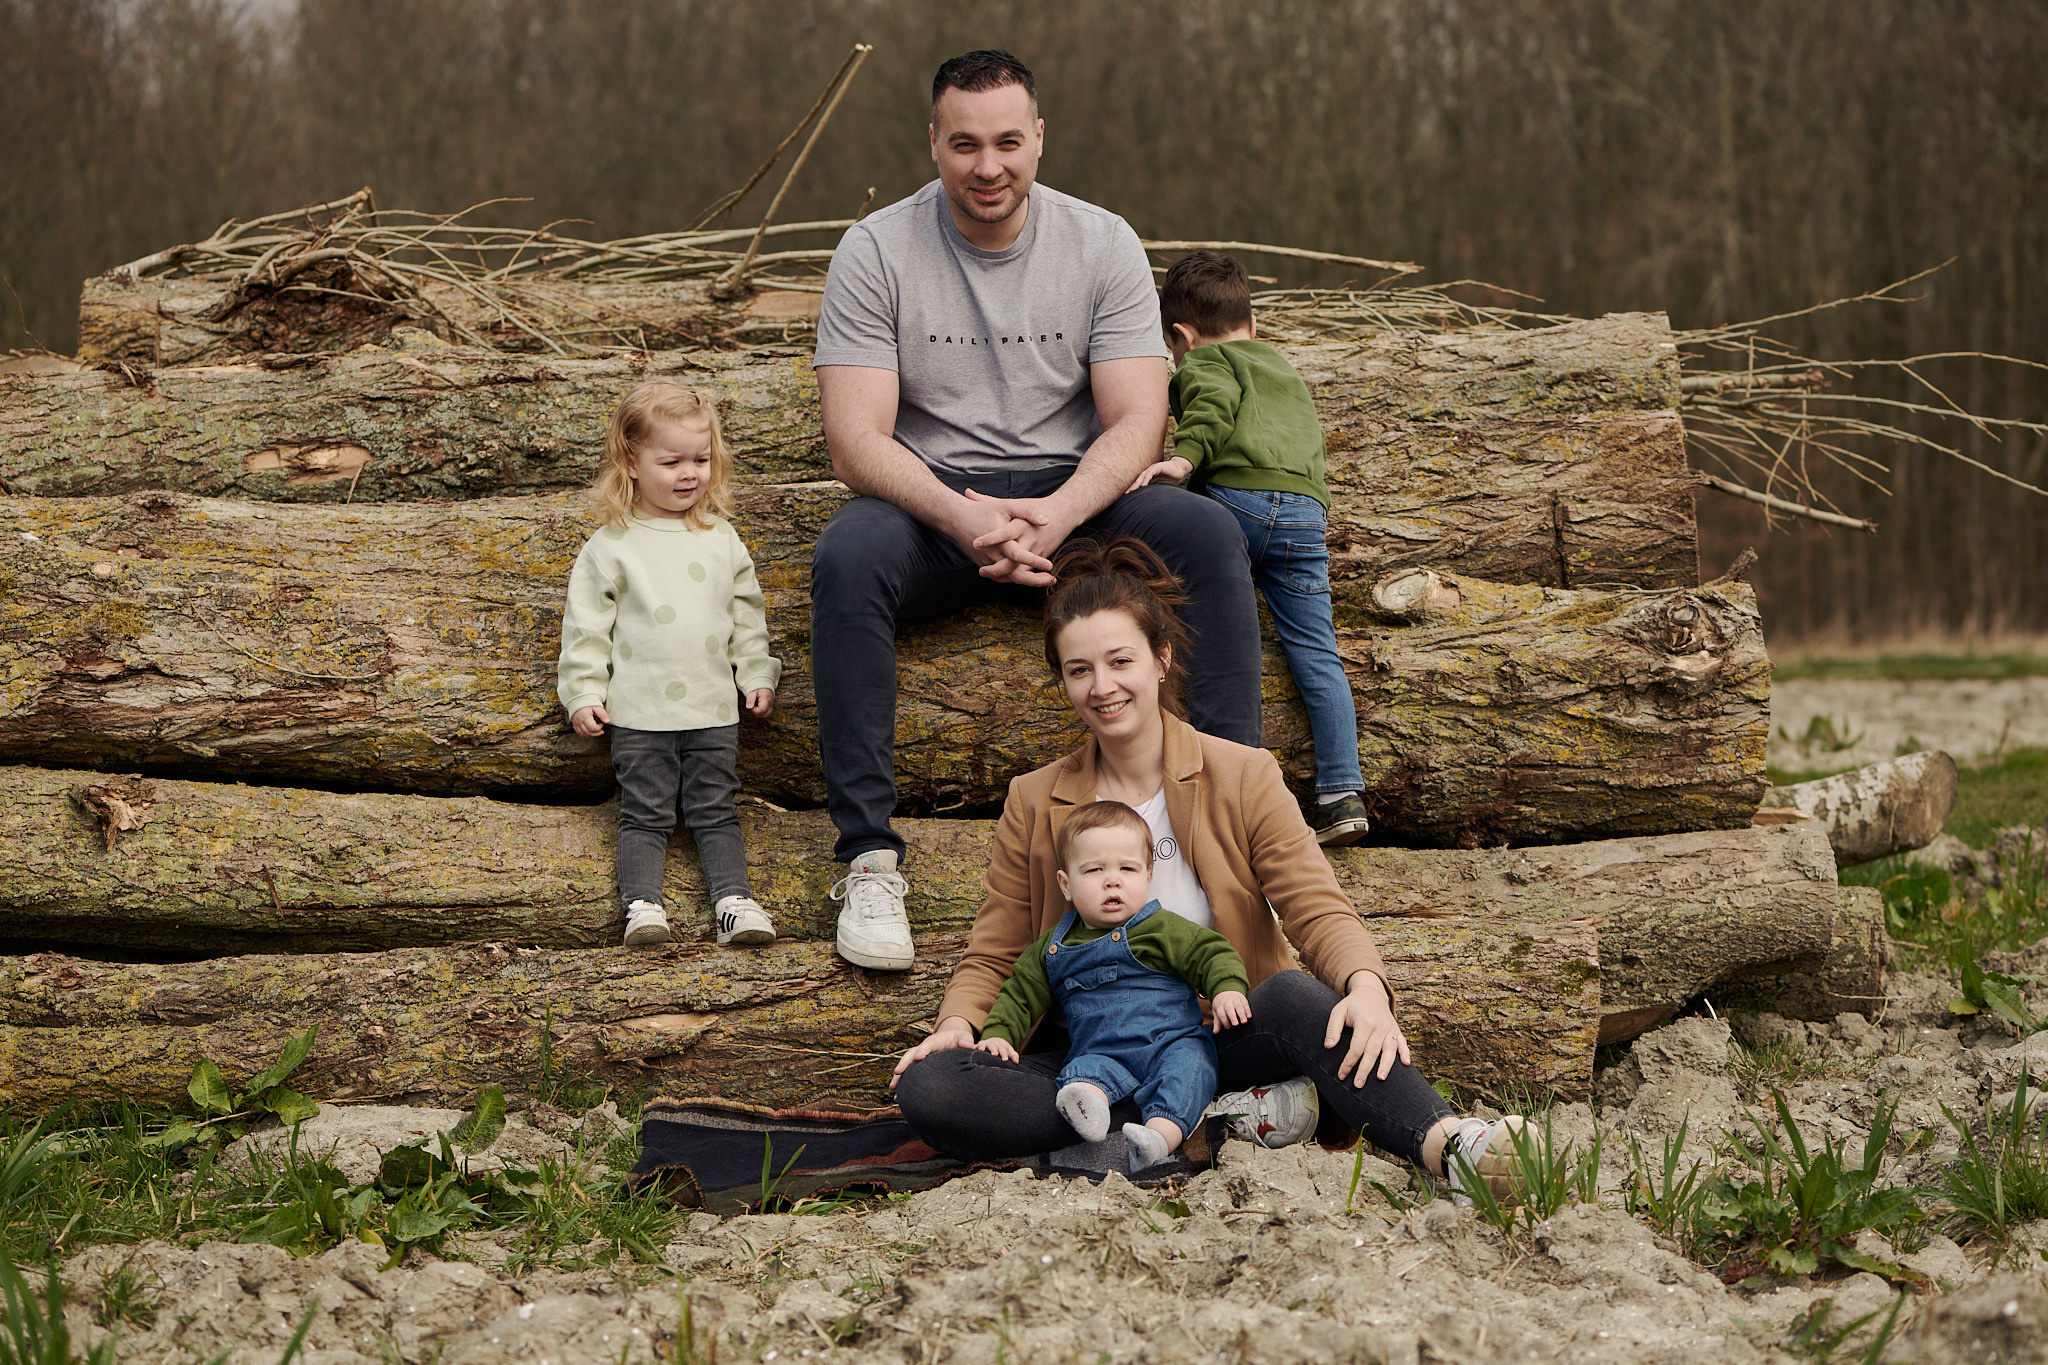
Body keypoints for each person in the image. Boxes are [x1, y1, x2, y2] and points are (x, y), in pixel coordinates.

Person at [890, 537, 1526, 1203]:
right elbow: (995, 951)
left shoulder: (1242, 773)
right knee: (933, 1085)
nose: (1102, 686)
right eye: (1079, 670)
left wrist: (1366, 986)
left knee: (1297, 997)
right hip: (1091, 1054)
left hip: (1218, 1038)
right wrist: (957, 1026)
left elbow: (1314, 903)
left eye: (1120, 660)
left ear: (1161, 659)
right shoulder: (1035, 798)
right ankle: (1194, 1128)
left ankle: (1452, 1146)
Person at [809, 49, 1263, 973]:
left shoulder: (1101, 243)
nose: (989, 165)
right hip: (936, 503)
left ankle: (1227, 840)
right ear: (933, 143)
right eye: (966, 143)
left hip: (1080, 497)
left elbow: (1139, 419)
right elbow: (857, 442)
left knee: (1211, 534)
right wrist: (962, 514)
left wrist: (1056, 515)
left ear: (1040, 139)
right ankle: (867, 856)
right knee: (847, 555)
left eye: (1009, 141)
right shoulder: (875, 250)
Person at [1130, 251, 1369, 847]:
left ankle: (1207, 776)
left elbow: (1210, 408)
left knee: (1188, 598)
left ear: (1180, 336)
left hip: (1237, 505)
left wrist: (1182, 459)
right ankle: (1343, 792)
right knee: (1317, 653)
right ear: (1254, 323)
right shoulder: (1285, 371)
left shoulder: (1206, 360)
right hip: (1303, 517)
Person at [557, 380, 782, 949]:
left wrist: (757, 674)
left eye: (701, 459)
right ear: (631, 461)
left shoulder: (720, 538)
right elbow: (587, 630)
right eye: (672, 461)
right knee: (644, 814)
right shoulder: (611, 545)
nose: (690, 473)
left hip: (712, 708)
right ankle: (642, 907)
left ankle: (734, 903)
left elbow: (746, 617)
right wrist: (583, 693)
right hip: (637, 711)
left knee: (715, 810)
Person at [974, 799, 1252, 1171]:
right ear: (1066, 884)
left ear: (1148, 875)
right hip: (1103, 1051)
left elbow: (1211, 952)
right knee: (1083, 1072)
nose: (1112, 879)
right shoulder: (1054, 948)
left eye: (1127, 868)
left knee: (1191, 1072)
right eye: (1094, 870)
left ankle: (1157, 1139)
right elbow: (1020, 993)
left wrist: (1226, 988)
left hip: (1173, 1041)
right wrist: (999, 1034)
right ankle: (1089, 1109)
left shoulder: (1161, 928)